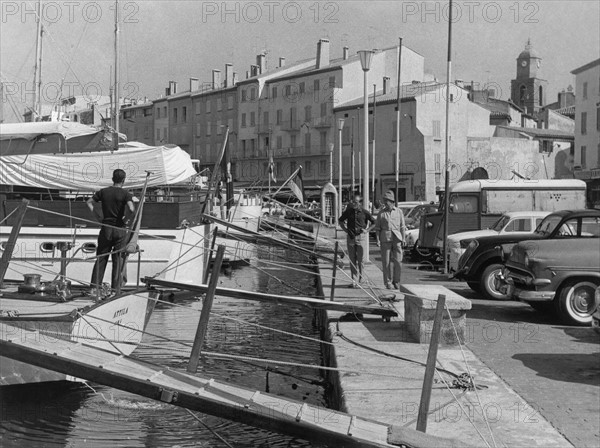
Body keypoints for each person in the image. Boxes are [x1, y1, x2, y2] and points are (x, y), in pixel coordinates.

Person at [87, 169, 135, 292]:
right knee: (118, 259)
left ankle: (94, 288)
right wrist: (125, 220)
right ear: (123, 180)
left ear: (112, 179)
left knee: (101, 257)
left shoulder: (103, 192)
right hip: (119, 228)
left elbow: (89, 202)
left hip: (106, 227)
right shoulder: (125, 194)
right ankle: (116, 289)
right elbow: (131, 208)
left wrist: (98, 217)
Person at [338, 193, 375, 287]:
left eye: (356, 202)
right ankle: (354, 281)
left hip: (361, 237)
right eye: (353, 202)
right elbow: (340, 220)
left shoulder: (365, 212)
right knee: (352, 259)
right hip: (351, 238)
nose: (354, 204)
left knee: (360, 260)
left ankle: (361, 279)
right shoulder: (349, 211)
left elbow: (374, 222)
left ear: (360, 203)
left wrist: (367, 230)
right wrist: (345, 229)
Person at [375, 190, 406, 290]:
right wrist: (378, 240)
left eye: (387, 201)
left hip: (397, 238)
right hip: (385, 238)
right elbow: (377, 228)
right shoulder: (381, 213)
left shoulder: (399, 212)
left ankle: (396, 281)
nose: (385, 203)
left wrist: (404, 238)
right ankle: (388, 282)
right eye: (384, 200)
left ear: (391, 201)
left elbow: (402, 226)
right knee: (386, 262)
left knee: (398, 261)